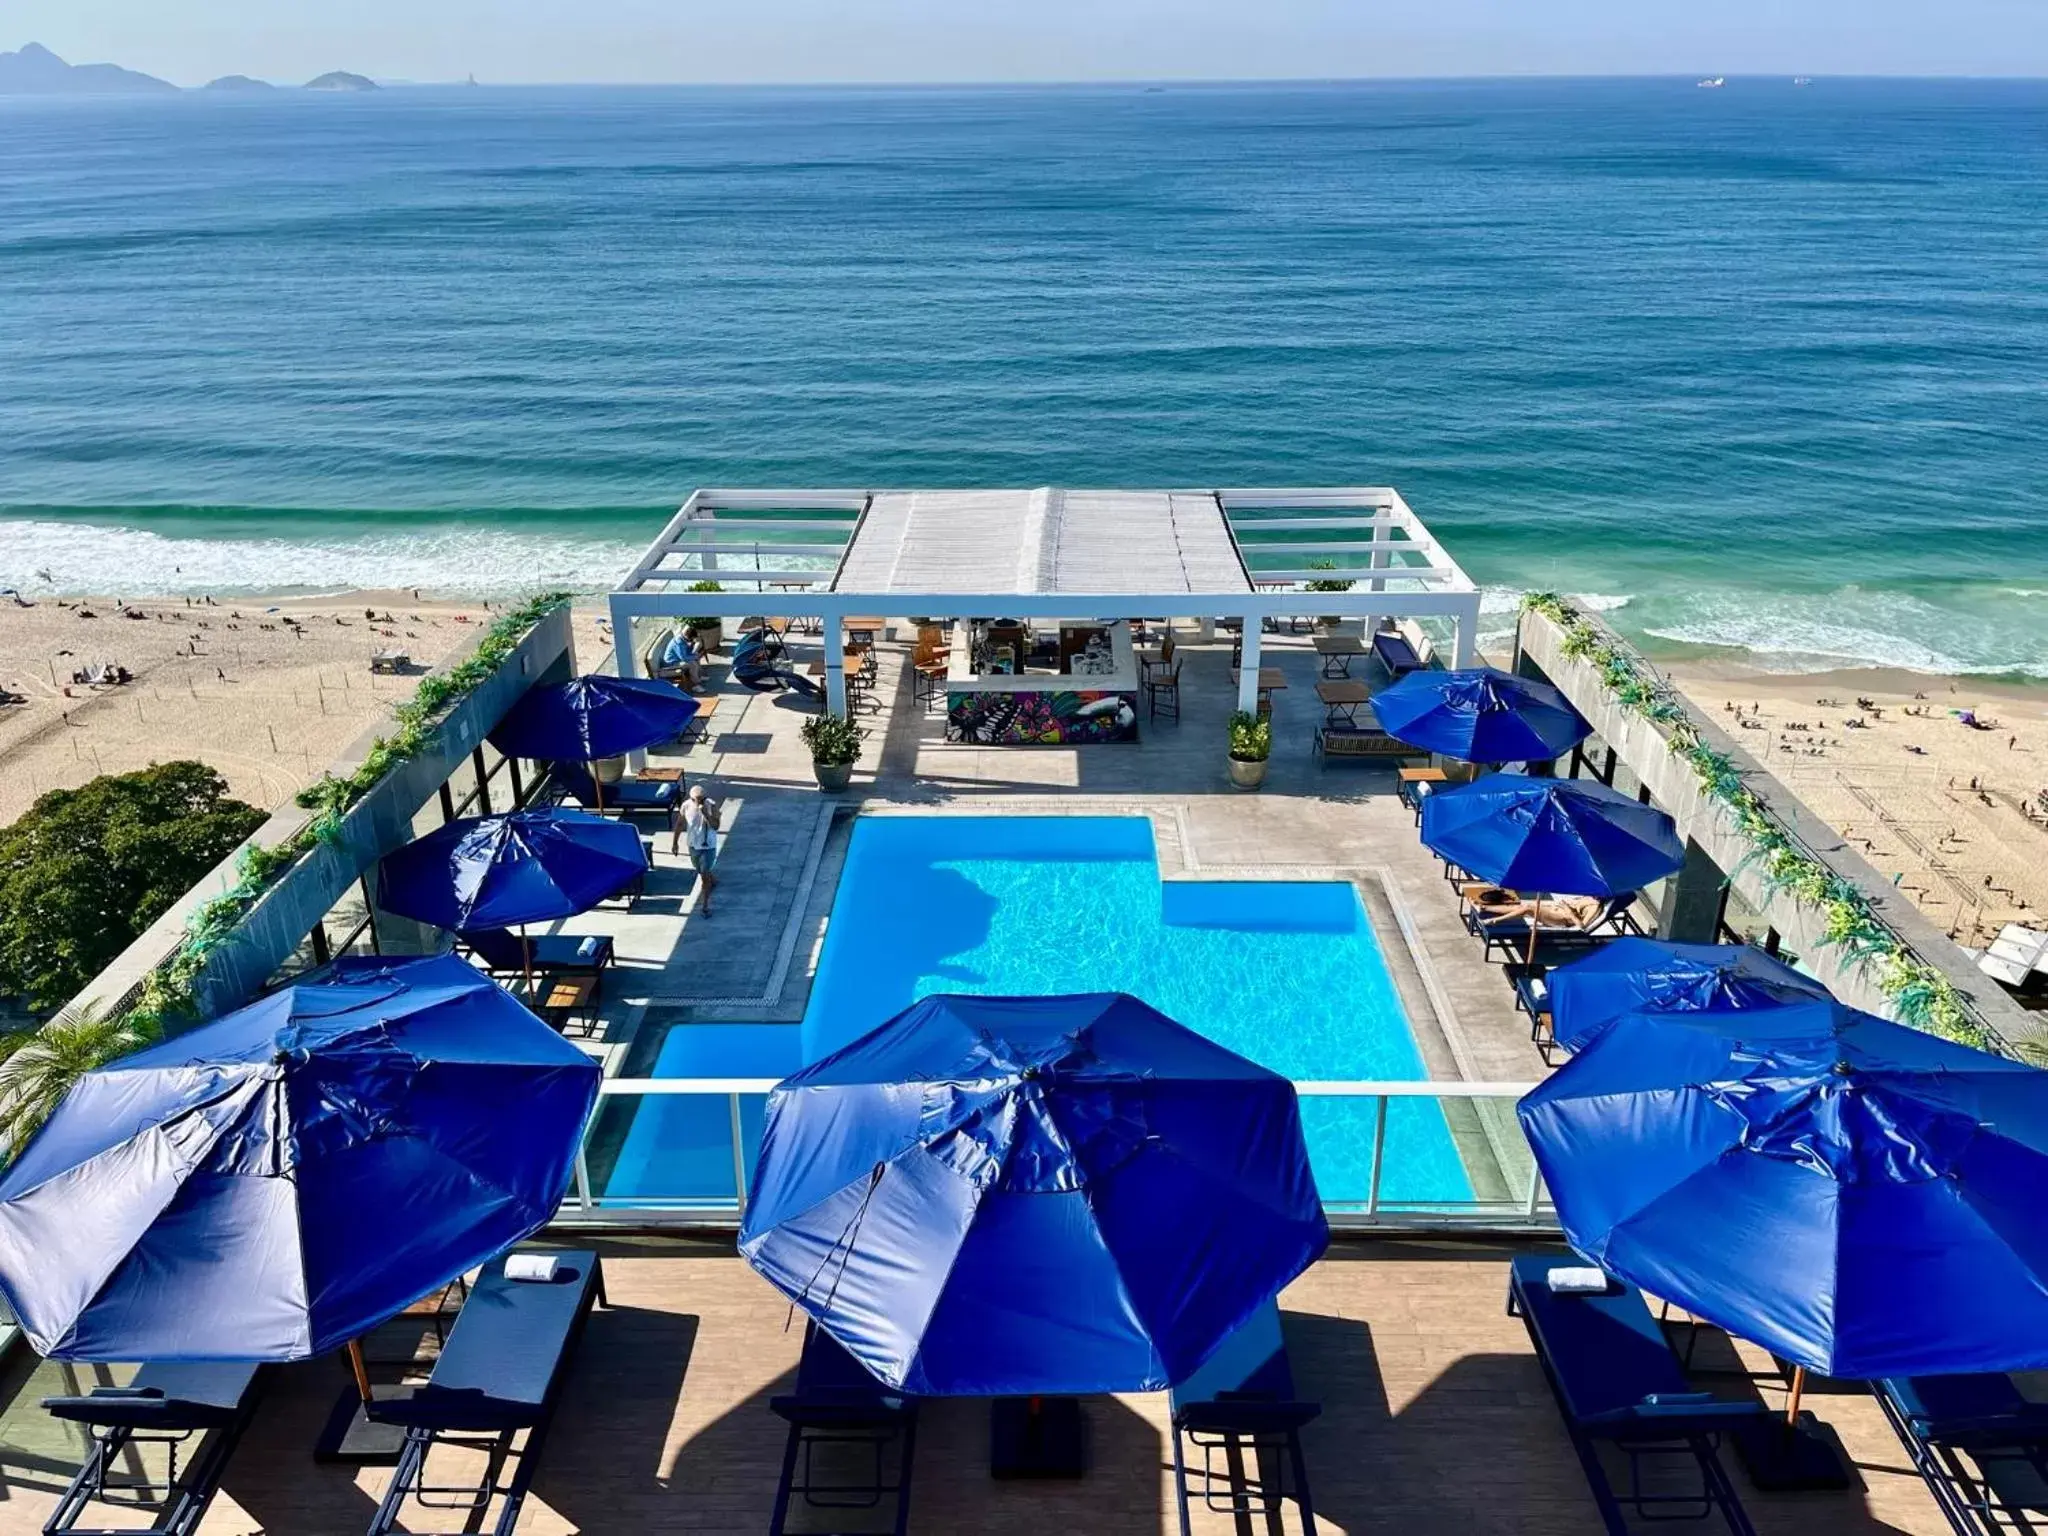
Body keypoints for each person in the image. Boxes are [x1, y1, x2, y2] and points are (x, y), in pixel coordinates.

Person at [674, 783, 722, 916]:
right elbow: (679, 824)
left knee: (703, 877)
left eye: (701, 799)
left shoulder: (711, 806)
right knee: (701, 870)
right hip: (693, 846)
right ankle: (712, 879)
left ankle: (705, 906)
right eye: (696, 799)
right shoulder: (686, 806)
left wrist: (706, 814)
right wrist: (675, 842)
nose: (699, 802)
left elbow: (716, 825)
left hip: (708, 847)